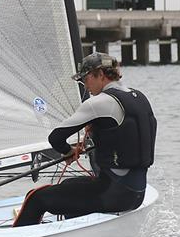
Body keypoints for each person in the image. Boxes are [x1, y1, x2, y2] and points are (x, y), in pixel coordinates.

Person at [13, 52, 157, 227]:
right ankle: (74, 236)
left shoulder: (99, 103)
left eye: (85, 79)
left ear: (100, 74)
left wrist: (68, 151)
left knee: (36, 197)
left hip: (112, 194)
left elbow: (56, 138)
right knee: (69, 185)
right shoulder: (140, 97)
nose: (84, 85)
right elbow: (123, 137)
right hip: (136, 193)